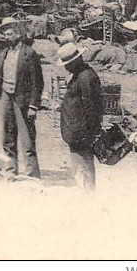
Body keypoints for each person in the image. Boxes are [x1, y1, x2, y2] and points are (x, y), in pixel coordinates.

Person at [0, 19, 43, 178]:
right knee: (8, 136)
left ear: (18, 34)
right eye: (5, 34)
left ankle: (32, 175)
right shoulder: (4, 52)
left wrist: (33, 106)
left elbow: (37, 83)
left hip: (22, 99)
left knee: (27, 141)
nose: (7, 37)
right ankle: (11, 172)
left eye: (10, 34)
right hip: (6, 96)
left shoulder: (29, 54)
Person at [56, 44, 104, 189]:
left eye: (67, 64)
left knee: (84, 164)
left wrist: (91, 130)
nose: (65, 68)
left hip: (82, 130)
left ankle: (87, 195)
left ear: (76, 61)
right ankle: (84, 191)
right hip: (75, 129)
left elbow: (91, 106)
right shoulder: (79, 75)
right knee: (79, 164)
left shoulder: (86, 77)